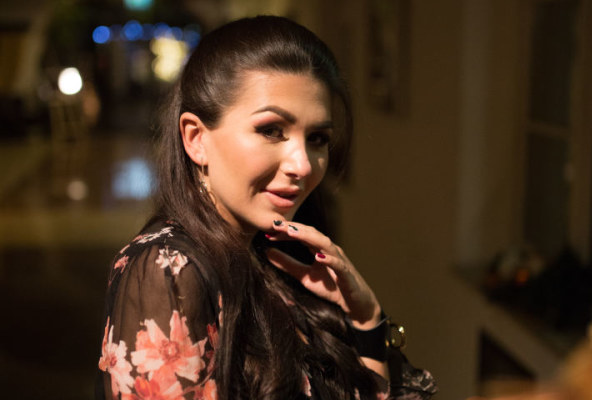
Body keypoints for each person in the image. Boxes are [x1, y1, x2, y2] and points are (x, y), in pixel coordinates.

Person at [96, 15, 437, 400]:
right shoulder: (170, 270)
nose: (303, 165)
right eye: (271, 130)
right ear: (196, 139)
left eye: (317, 138)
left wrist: (366, 321)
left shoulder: (271, 258)